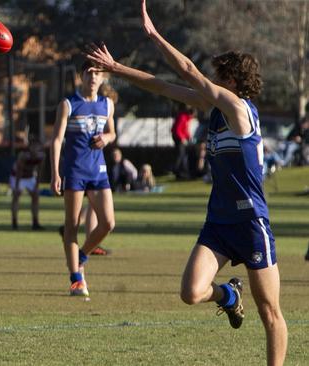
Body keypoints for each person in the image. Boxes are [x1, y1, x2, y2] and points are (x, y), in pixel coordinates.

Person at [85, 1, 287, 364]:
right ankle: (228, 296)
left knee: (270, 312)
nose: (212, 80)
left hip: (251, 221)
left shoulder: (239, 110)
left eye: (219, 76)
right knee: (191, 292)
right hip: (219, 222)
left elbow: (190, 71)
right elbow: (162, 86)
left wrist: (154, 35)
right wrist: (116, 69)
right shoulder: (214, 109)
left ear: (233, 82)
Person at [50, 59, 117, 297]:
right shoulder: (68, 105)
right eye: (88, 73)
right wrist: (55, 172)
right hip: (74, 172)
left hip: (98, 171)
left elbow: (112, 132)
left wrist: (106, 139)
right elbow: (57, 140)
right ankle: (76, 279)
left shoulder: (107, 104)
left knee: (108, 223)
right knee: (72, 225)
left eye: (97, 73)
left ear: (103, 78)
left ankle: (80, 255)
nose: (93, 78)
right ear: (81, 76)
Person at [10, 137, 45, 230]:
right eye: (34, 146)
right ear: (30, 147)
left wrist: (37, 185)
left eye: (37, 147)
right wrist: (17, 186)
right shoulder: (24, 155)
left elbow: (40, 171)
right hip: (18, 177)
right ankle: (14, 222)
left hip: (30, 177)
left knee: (35, 196)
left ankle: (35, 222)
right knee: (16, 195)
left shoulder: (41, 156)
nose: (35, 149)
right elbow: (19, 171)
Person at [172, 103, 195, 179]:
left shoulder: (185, 117)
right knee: (180, 155)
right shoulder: (183, 117)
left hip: (182, 138)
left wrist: (189, 136)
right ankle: (177, 171)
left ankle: (181, 173)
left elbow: (185, 129)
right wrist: (182, 138)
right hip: (179, 139)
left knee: (183, 155)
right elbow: (177, 129)